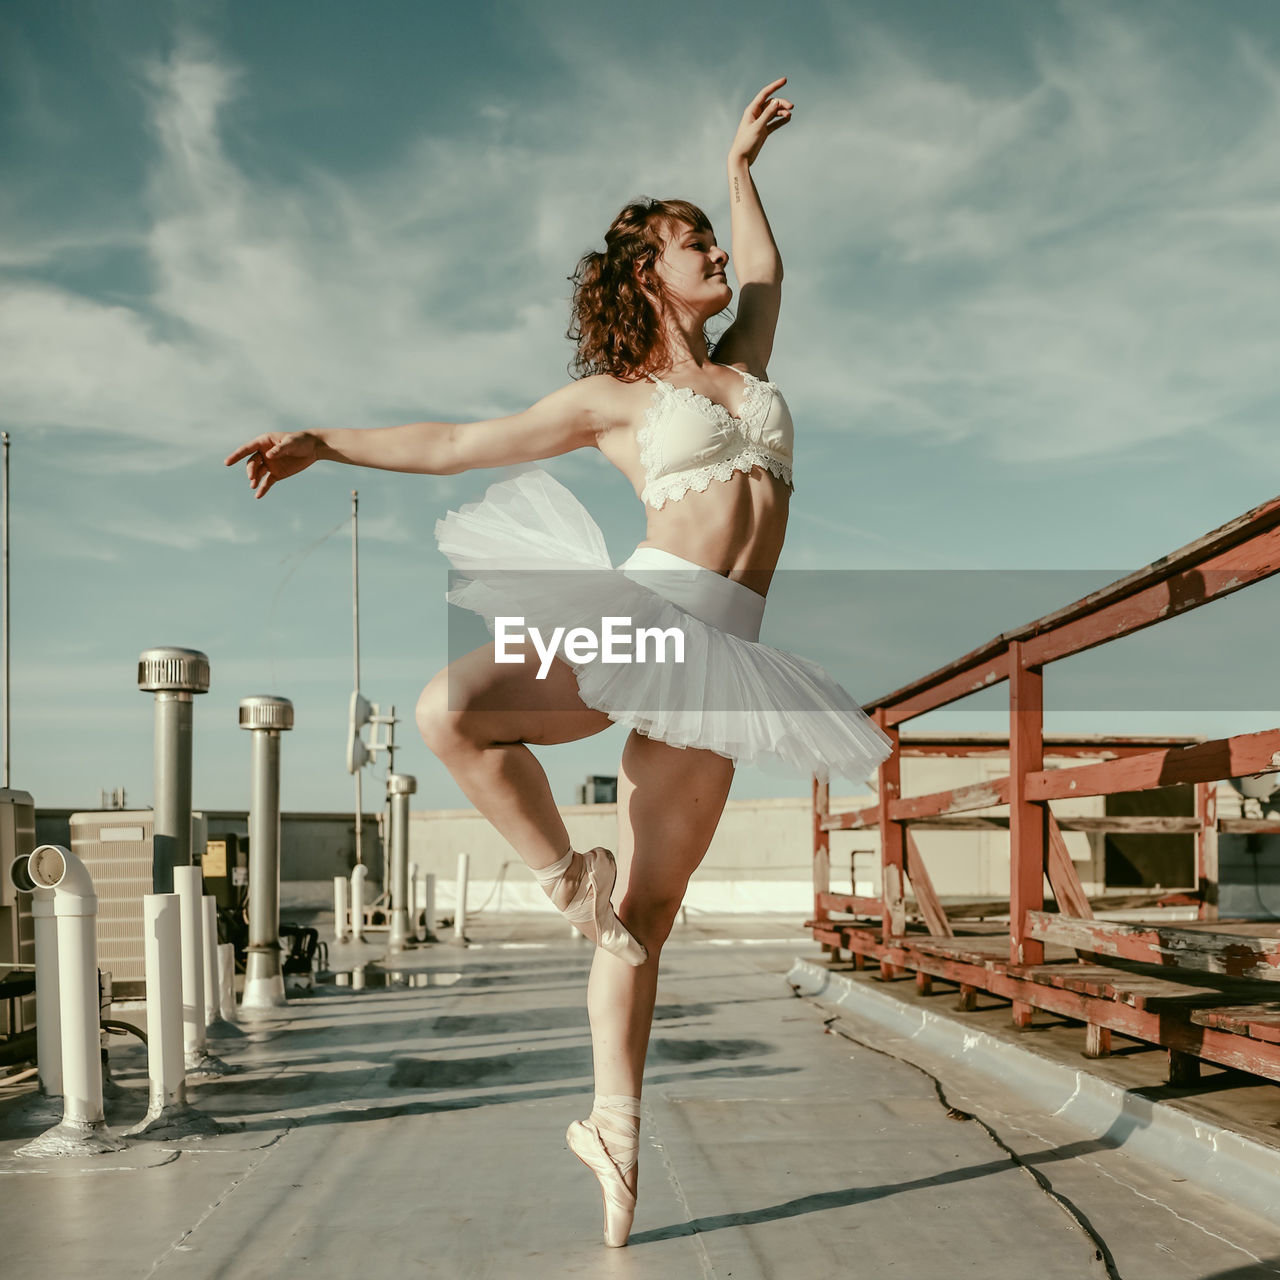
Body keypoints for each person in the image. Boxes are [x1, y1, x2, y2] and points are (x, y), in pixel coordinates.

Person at [225, 77, 894, 1248]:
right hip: (639, 610)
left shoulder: (746, 364)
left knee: (647, 917)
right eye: (696, 244)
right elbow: (452, 441)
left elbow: (772, 272)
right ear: (648, 271)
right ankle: (557, 872)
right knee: (451, 707)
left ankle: (612, 1125)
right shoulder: (611, 399)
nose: (718, 261)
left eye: (712, 240)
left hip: (722, 654)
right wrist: (324, 441)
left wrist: (739, 174)